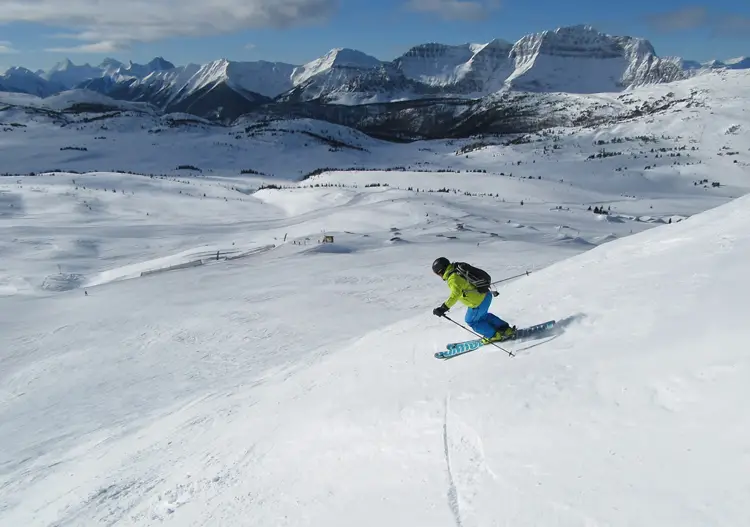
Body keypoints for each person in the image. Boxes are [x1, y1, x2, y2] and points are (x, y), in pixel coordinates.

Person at [431, 257, 515, 343]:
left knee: (471, 321)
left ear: (440, 271)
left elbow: (455, 294)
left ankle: (493, 335)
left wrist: (443, 308)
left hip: (478, 302)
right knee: (482, 316)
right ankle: (506, 329)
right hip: (486, 294)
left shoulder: (453, 278)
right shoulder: (457, 269)